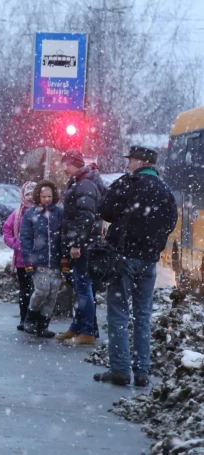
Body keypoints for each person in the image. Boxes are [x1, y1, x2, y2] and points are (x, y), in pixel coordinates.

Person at [93, 146, 177, 387]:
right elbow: (171, 221)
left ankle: (120, 369)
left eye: (130, 160)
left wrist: (125, 221)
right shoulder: (164, 189)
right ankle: (142, 372)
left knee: (118, 313)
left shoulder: (127, 183)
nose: (127, 164)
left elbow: (105, 211)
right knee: (143, 316)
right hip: (149, 261)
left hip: (123, 258)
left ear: (140, 162)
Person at [55, 149, 107, 346]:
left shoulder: (84, 184)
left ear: (75, 164)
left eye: (66, 164)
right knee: (81, 287)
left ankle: (86, 332)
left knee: (83, 287)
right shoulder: (83, 181)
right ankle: (78, 328)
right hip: (85, 243)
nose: (64, 168)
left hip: (84, 245)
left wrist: (77, 243)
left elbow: (85, 216)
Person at [20, 180, 63, 338]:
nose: (47, 199)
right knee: (41, 291)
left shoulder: (59, 213)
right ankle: (30, 318)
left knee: (52, 295)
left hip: (56, 262)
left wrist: (64, 258)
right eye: (44, 196)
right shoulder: (31, 214)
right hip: (39, 262)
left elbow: (64, 237)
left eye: (49, 196)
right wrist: (28, 260)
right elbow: (25, 238)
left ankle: (44, 324)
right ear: (38, 196)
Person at [3, 181, 37, 331]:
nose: (30, 197)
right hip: (22, 261)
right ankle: (24, 318)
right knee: (25, 290)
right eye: (27, 194)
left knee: (39, 291)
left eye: (32, 194)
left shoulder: (41, 212)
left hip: (39, 259)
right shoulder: (17, 215)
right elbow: (7, 231)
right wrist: (16, 245)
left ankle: (35, 319)